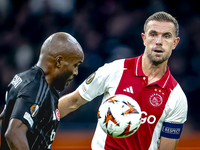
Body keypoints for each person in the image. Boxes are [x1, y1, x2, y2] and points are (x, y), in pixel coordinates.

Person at [58, 11, 188, 150]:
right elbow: (73, 101)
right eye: (153, 34)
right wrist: (36, 121)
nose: (158, 41)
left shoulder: (176, 97)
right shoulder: (115, 70)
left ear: (175, 43)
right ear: (144, 38)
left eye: (166, 36)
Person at [0, 32, 84, 150]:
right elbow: (13, 133)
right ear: (59, 61)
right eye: (75, 65)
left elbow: (4, 119)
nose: (76, 72)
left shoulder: (24, 79)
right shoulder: (36, 88)